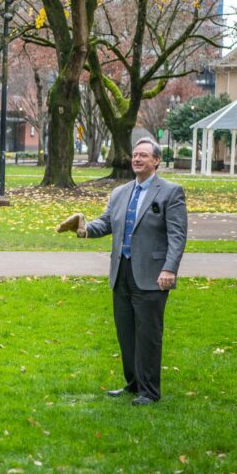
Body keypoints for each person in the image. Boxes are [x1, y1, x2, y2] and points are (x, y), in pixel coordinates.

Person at [58, 138, 187, 405]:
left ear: (156, 161)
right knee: (126, 332)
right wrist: (83, 227)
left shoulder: (171, 192)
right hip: (121, 271)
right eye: (135, 155)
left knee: (148, 335)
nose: (137, 159)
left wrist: (169, 269)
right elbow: (105, 224)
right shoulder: (120, 193)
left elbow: (177, 236)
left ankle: (149, 392)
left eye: (143, 155)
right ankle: (133, 384)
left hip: (152, 274)